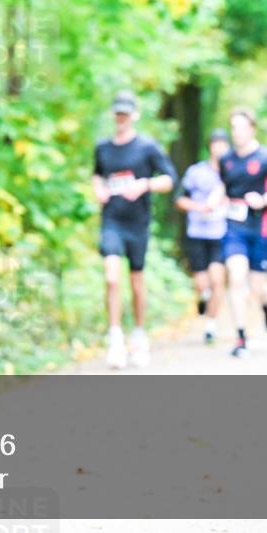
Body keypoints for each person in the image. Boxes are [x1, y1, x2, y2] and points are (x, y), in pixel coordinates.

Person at [92, 90, 176, 368]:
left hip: (137, 222)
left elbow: (169, 179)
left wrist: (144, 185)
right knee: (112, 277)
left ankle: (139, 336)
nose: (121, 117)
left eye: (126, 113)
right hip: (112, 221)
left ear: (134, 115)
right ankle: (115, 338)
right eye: (118, 113)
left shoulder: (147, 147)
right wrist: (98, 189)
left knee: (137, 283)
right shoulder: (103, 148)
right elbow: (96, 175)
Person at [214, 108, 267, 358]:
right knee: (236, 277)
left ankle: (266, 303)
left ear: (252, 129)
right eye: (233, 127)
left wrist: (265, 199)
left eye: (240, 127)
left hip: (261, 227)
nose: (236, 132)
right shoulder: (226, 159)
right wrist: (214, 202)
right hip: (234, 227)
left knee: (257, 286)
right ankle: (240, 338)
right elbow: (224, 189)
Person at [175, 129, 230, 346]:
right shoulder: (195, 172)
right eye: (216, 143)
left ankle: (210, 327)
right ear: (210, 146)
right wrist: (200, 207)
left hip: (221, 233)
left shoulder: (232, 173)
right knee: (202, 284)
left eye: (223, 144)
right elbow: (179, 199)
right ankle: (202, 297)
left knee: (218, 280)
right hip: (197, 233)